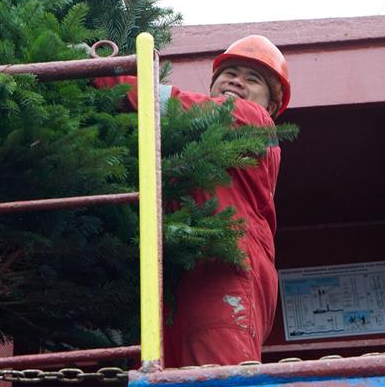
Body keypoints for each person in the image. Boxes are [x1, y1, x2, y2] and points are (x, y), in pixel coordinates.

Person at [95, 34, 290, 367]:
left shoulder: (254, 121)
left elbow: (170, 105)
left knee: (218, 380)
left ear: (271, 105)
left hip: (226, 268)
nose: (237, 82)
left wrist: (99, 72)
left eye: (252, 79)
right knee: (169, 376)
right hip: (187, 270)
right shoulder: (189, 142)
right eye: (229, 74)